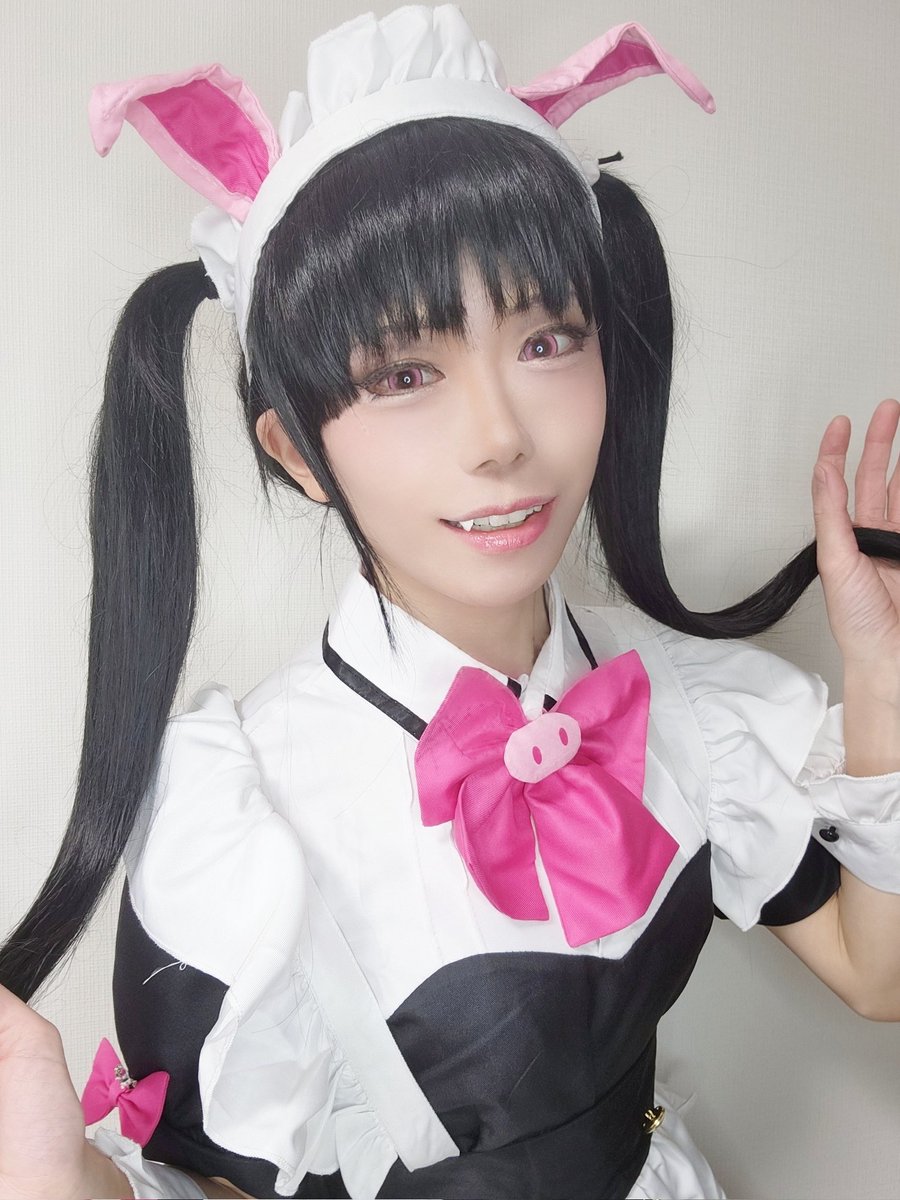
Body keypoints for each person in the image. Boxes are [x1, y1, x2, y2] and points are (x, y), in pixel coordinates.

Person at [1, 6, 899, 1199]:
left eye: (548, 341)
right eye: (405, 373)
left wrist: (883, 673)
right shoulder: (249, 811)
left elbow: (876, 973)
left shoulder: (680, 700)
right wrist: (55, 1178)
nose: (500, 436)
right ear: (297, 452)